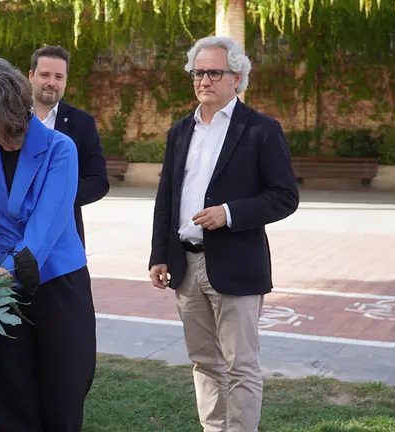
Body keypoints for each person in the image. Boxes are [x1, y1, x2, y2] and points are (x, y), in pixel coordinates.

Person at [148, 36, 299, 432]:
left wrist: (230, 213)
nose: (204, 80)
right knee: (205, 363)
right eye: (198, 73)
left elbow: (285, 197)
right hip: (185, 264)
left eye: (214, 72)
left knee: (241, 366)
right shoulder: (180, 131)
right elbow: (167, 198)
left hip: (236, 263)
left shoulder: (261, 130)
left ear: (237, 78)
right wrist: (158, 254)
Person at [0, 57, 96, 432]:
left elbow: (42, 235)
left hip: (57, 286)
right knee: (11, 403)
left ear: (4, 109)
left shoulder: (61, 149)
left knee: (61, 403)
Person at [28, 45, 109, 246]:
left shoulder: (82, 123)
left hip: (64, 239)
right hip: (12, 235)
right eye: (45, 75)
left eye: (59, 77)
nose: (51, 83)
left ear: (65, 80)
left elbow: (98, 181)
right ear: (31, 76)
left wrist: (57, 199)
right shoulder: (9, 119)